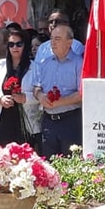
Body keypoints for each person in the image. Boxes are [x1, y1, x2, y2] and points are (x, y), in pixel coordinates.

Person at [29, 24, 83, 157]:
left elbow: (83, 93)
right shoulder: (45, 63)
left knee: (71, 165)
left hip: (70, 120)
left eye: (57, 39)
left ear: (69, 42)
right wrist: (40, 96)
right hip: (49, 121)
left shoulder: (79, 64)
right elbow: (37, 87)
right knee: (49, 164)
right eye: (51, 38)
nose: (52, 42)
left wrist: (60, 102)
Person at [0, 28, 36, 147]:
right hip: (2, 120)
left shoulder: (35, 67)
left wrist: (25, 98)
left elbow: (41, 92)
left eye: (19, 44)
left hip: (25, 123)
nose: (15, 48)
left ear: (25, 45)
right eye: (11, 44)